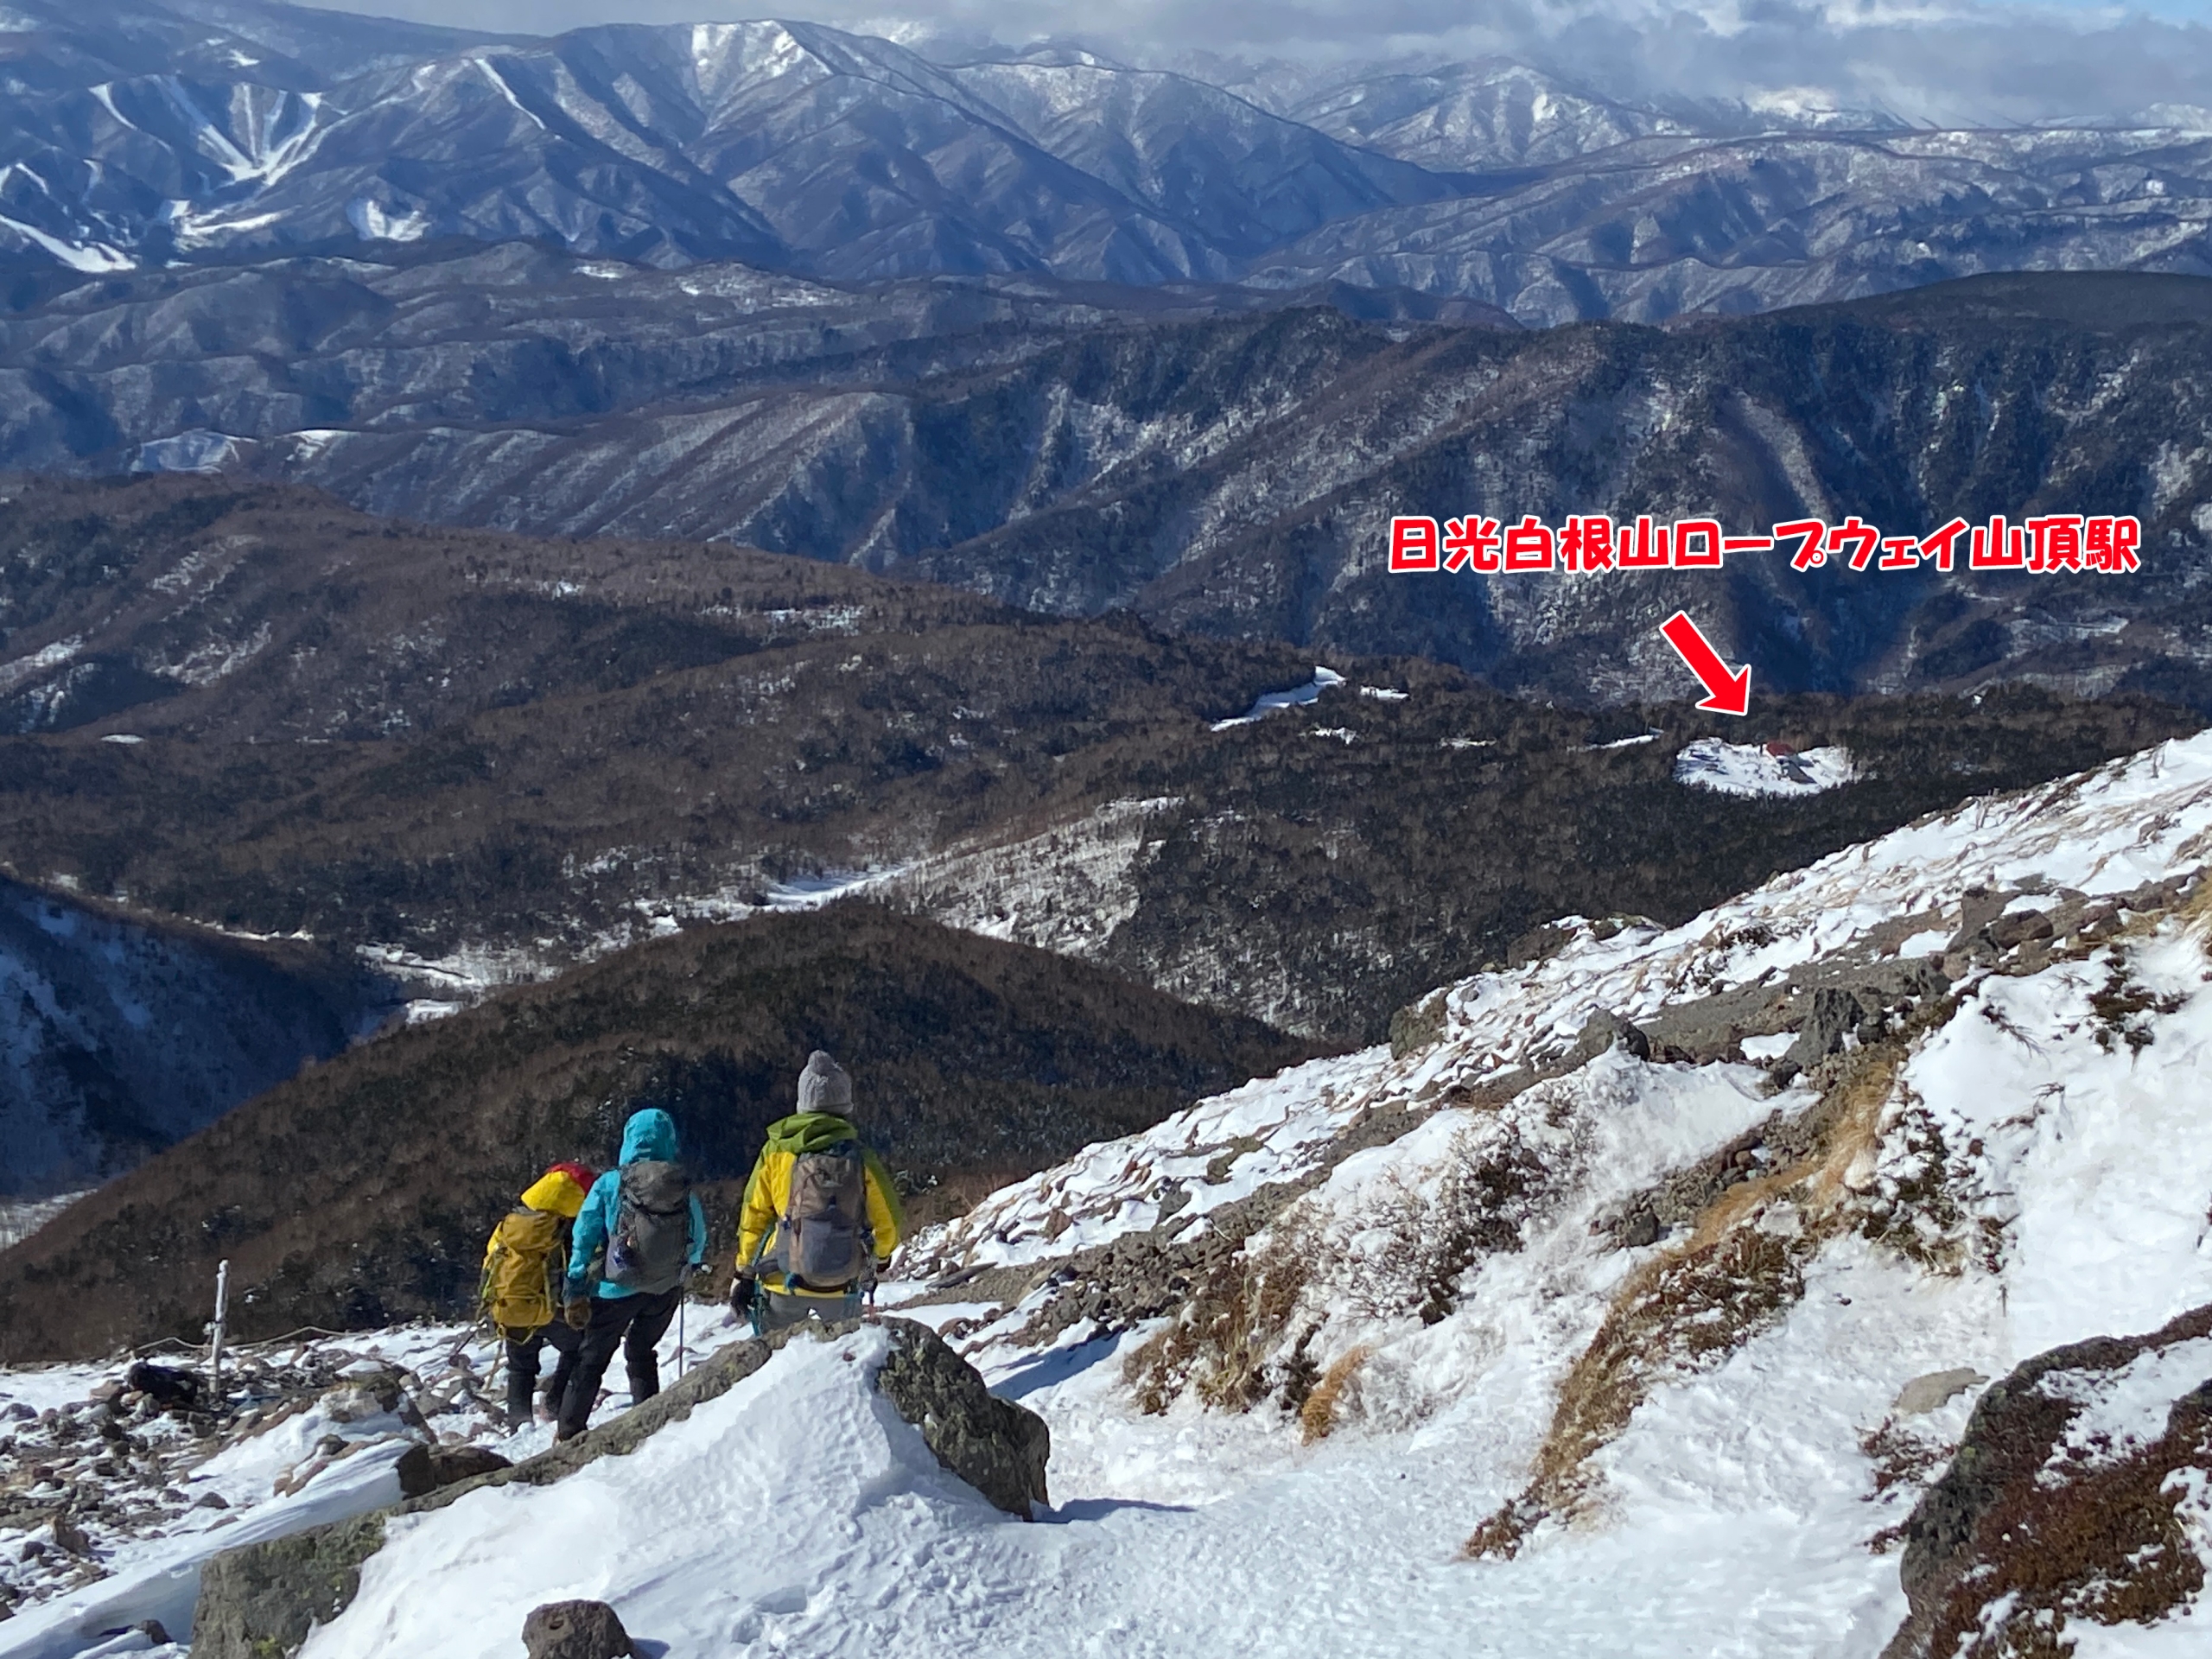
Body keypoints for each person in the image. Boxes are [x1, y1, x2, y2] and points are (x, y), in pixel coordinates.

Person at [555, 1106, 707, 1442]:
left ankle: (568, 1432)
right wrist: (684, 1268)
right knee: (641, 1351)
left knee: (591, 1360)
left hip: (614, 1288)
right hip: (664, 1288)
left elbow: (584, 1234)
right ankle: (648, 1421)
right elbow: (699, 1237)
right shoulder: (679, 1185)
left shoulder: (611, 1183)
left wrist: (576, 1282)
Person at [730, 1051, 904, 1334]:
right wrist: (879, 1257)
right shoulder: (859, 1157)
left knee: (774, 1365)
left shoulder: (776, 1151)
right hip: (843, 1280)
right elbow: (889, 1220)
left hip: (782, 1276)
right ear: (845, 1105)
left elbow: (754, 1216)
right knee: (845, 1361)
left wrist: (745, 1270)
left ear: (803, 1104)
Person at [479, 1161, 597, 1430]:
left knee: (520, 1368)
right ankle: (556, 1403)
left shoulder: (511, 1223)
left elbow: (490, 1263)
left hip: (514, 1307)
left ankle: (519, 1423)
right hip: (555, 1311)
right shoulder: (570, 1227)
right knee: (579, 1349)